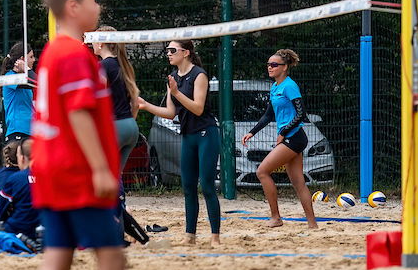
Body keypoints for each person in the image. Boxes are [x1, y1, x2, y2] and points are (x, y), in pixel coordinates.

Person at [12, 0, 143, 270]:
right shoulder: (73, 55)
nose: (98, 7)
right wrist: (103, 169)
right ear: (73, 7)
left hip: (54, 171)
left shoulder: (54, 53)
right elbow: (80, 113)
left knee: (56, 262)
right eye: (93, 0)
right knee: (109, 260)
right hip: (76, 173)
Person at [137, 39, 222, 245]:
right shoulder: (173, 78)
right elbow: (170, 113)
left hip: (206, 134)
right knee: (188, 186)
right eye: (167, 50)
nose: (168, 53)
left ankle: (215, 237)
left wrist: (176, 93)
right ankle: (190, 236)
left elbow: (198, 108)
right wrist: (146, 106)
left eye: (172, 50)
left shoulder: (199, 75)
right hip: (188, 135)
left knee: (208, 186)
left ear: (186, 53)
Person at [241, 48, 318, 229]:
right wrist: (252, 132)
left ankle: (276, 218)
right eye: (268, 64)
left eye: (274, 64)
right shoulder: (275, 87)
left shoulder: (290, 86)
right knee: (298, 182)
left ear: (284, 68)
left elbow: (301, 114)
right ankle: (312, 224)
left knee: (262, 171)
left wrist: (283, 132)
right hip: (290, 136)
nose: (270, 67)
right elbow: (268, 115)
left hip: (295, 137)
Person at [92, 28, 141, 184]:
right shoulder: (123, 65)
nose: (91, 43)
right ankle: (120, 207)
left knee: (103, 175)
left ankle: (110, 208)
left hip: (115, 126)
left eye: (93, 39)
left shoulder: (103, 66)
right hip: (130, 126)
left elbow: (96, 99)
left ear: (100, 43)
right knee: (115, 176)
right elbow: (135, 102)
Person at [0, 138, 39, 240]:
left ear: (22, 158)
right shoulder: (50, 177)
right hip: (47, 230)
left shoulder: (15, 179)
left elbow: (1, 211)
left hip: (19, 229)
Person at [1, 43, 37, 143]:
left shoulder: (25, 78)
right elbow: (37, 81)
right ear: (22, 59)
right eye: (31, 57)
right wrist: (27, 69)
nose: (34, 60)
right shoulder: (10, 77)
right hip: (18, 131)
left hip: (31, 131)